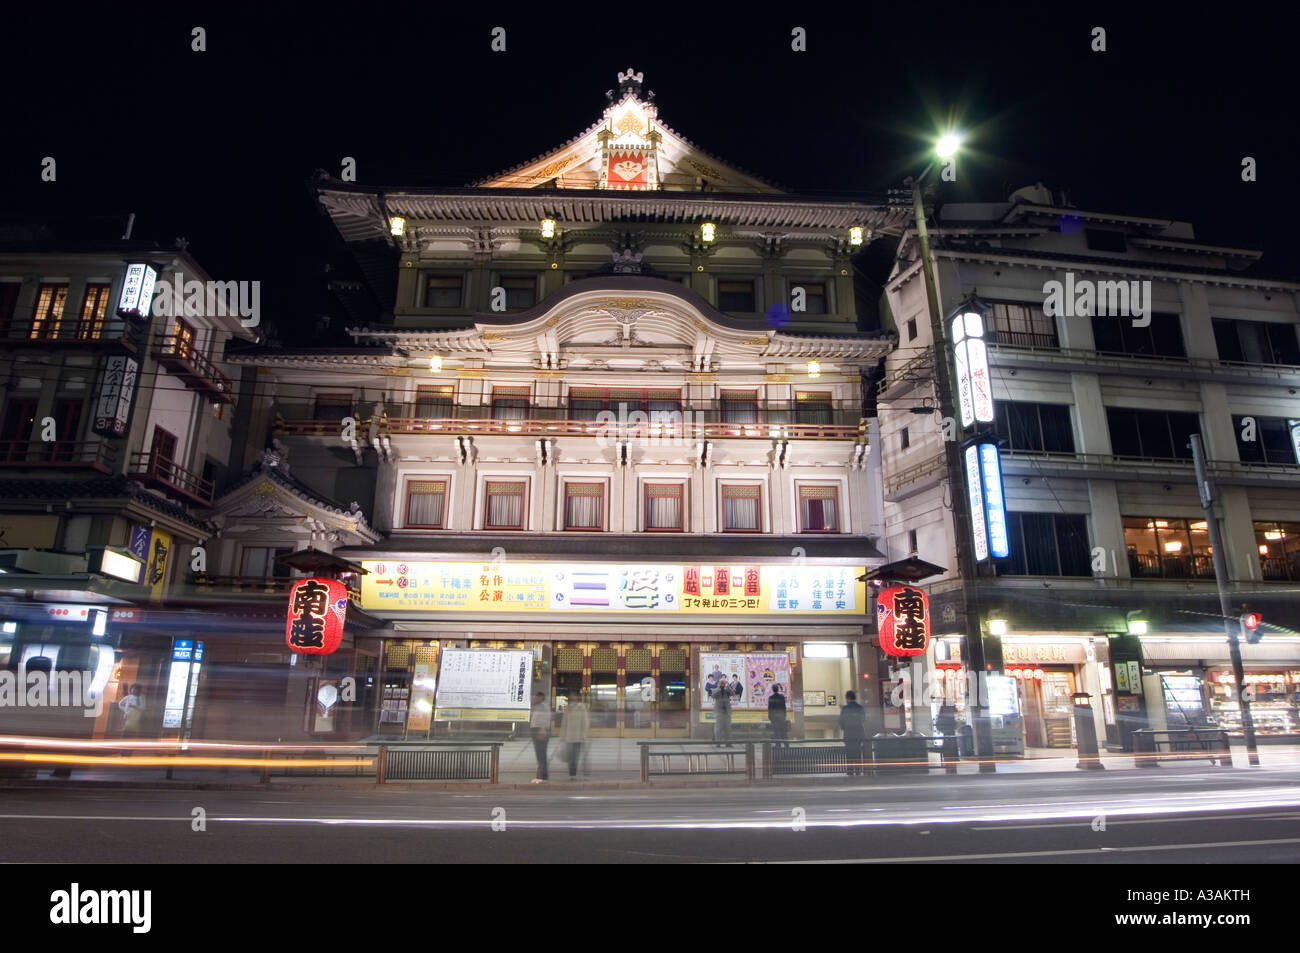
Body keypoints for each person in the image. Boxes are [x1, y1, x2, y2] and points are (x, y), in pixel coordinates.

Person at [838, 690, 868, 776]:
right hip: (858, 733)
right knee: (858, 752)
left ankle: (850, 771)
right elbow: (863, 719)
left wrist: (844, 727)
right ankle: (858, 770)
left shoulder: (845, 709)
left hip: (848, 734)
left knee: (849, 753)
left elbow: (841, 721)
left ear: (848, 698)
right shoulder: (860, 708)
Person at [563, 690, 590, 779]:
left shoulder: (581, 707)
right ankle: (572, 773)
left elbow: (585, 722)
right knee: (570, 756)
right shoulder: (568, 708)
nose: (572, 697)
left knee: (575, 755)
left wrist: (584, 735)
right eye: (571, 696)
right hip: (569, 736)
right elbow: (564, 722)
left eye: (574, 695)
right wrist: (562, 735)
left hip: (578, 736)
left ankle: (574, 772)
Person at [529, 691, 551, 781]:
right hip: (536, 731)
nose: (534, 699)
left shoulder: (543, 708)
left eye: (536, 697)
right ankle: (543, 773)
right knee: (540, 754)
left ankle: (541, 774)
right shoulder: (537, 707)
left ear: (541, 698)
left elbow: (545, 721)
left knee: (541, 754)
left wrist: (542, 732)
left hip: (541, 732)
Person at [711, 675, 733, 744]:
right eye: (721, 683)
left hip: (727, 712)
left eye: (724, 683)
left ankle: (728, 743)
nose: (723, 684)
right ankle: (718, 742)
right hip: (719, 712)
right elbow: (713, 696)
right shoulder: (716, 690)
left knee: (728, 728)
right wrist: (719, 688)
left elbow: (733, 693)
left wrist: (728, 687)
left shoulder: (727, 690)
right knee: (718, 728)